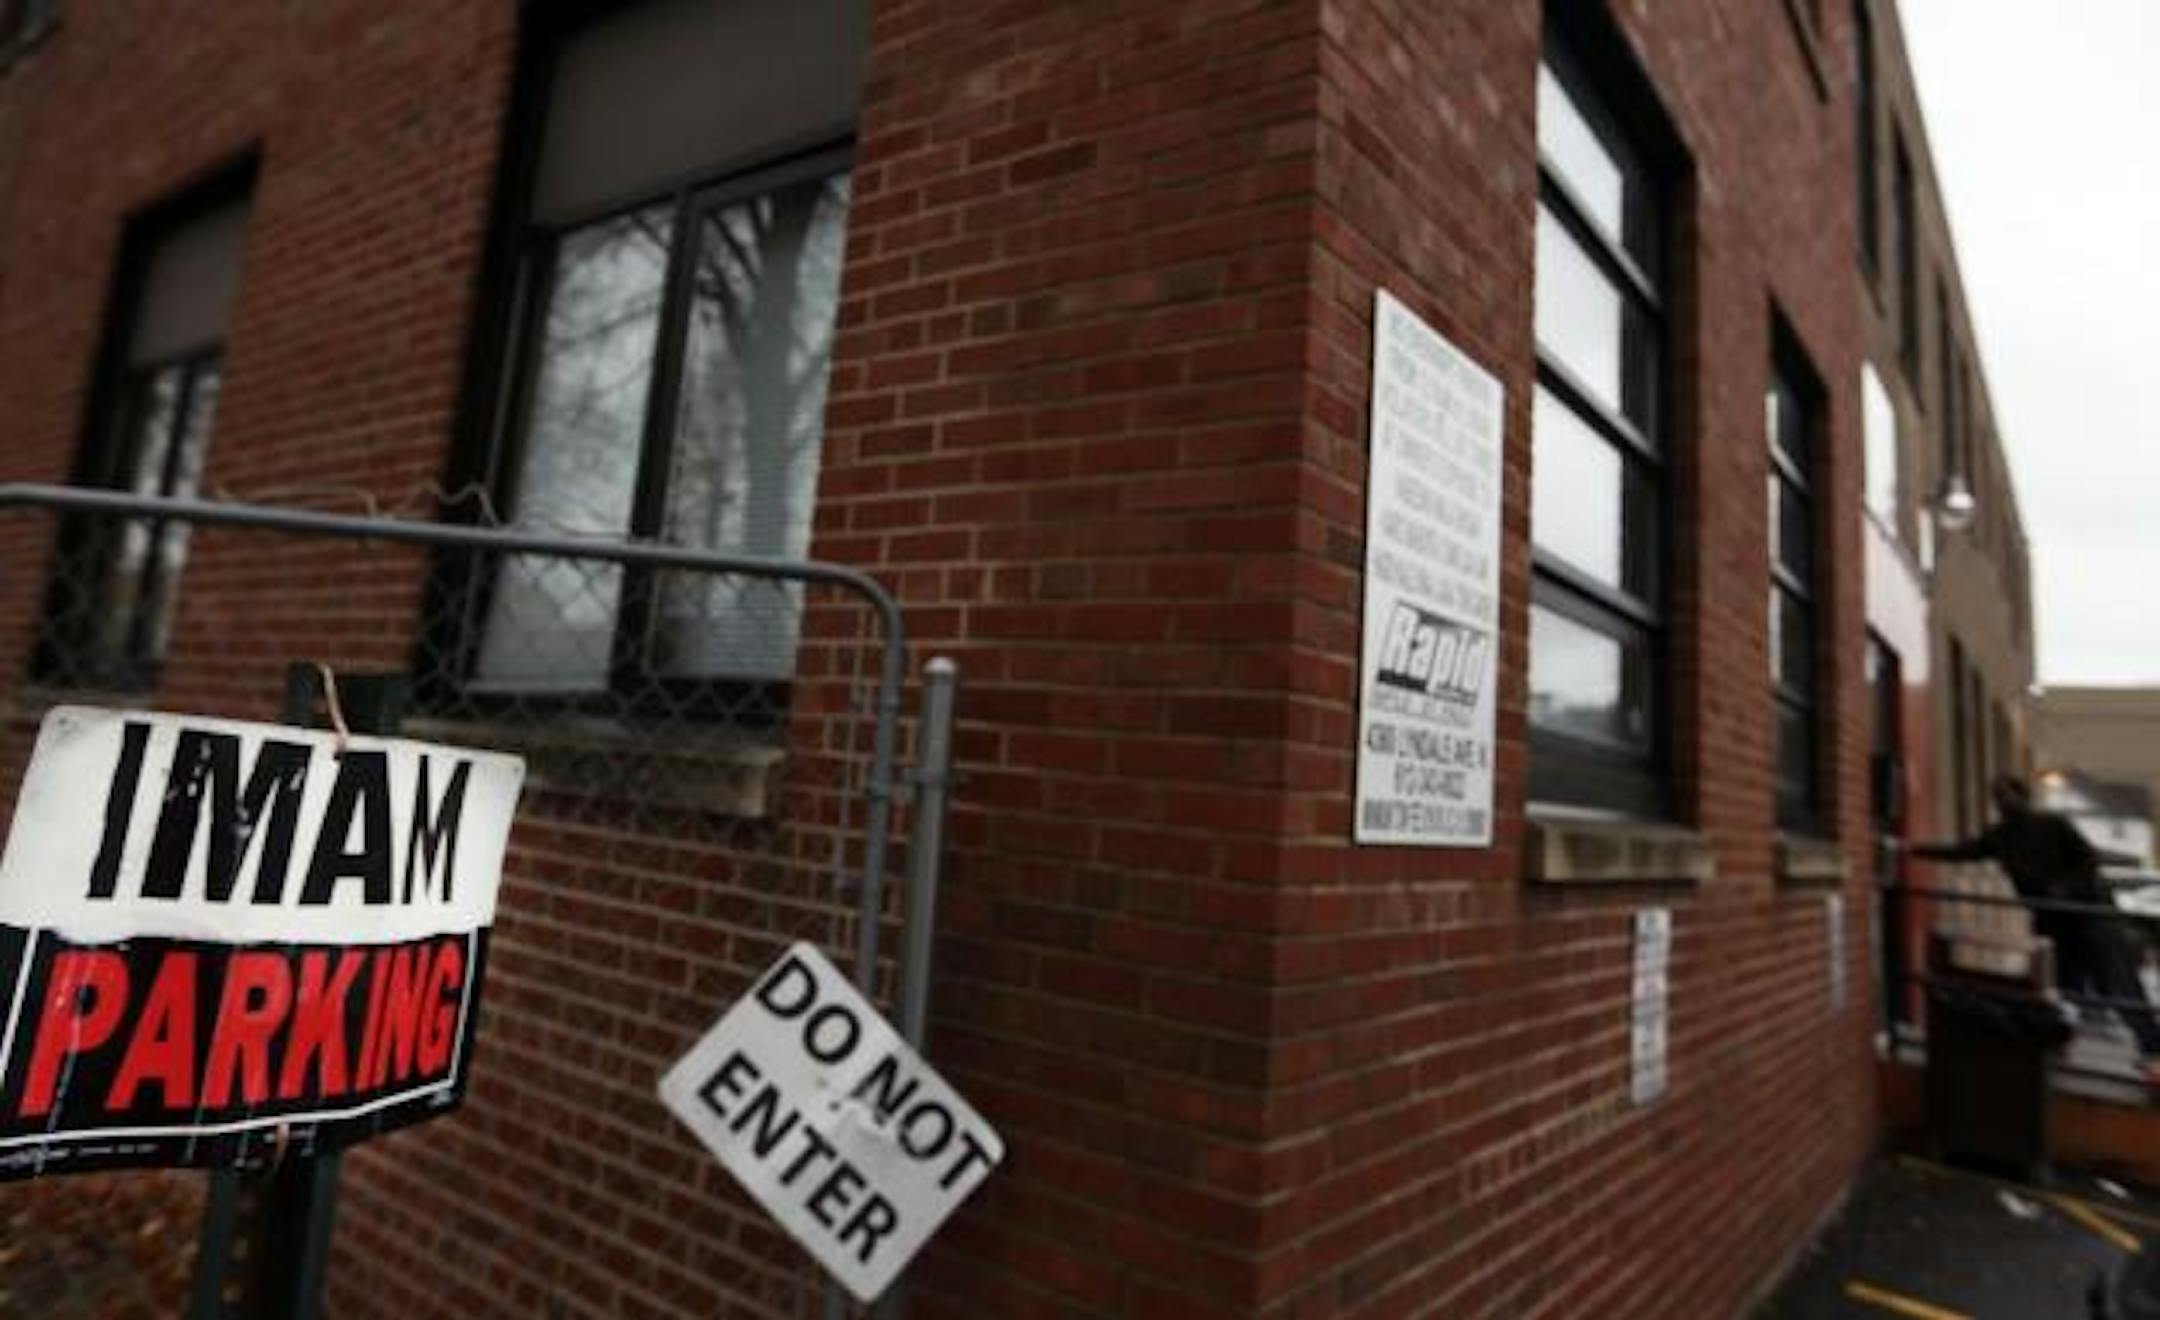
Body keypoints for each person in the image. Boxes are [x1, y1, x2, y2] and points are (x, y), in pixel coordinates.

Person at [1905, 774, 2160, 1084]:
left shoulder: (2052, 825)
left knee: (2116, 978)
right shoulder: (2001, 837)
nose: (2003, 802)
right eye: (1998, 797)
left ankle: (2152, 1047)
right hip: (2053, 922)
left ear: (2023, 796)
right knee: (2064, 984)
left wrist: (2065, 888)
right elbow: (1962, 852)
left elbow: (2088, 860)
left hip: (2090, 916)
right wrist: (1914, 849)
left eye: (2008, 795)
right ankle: (2061, 1044)